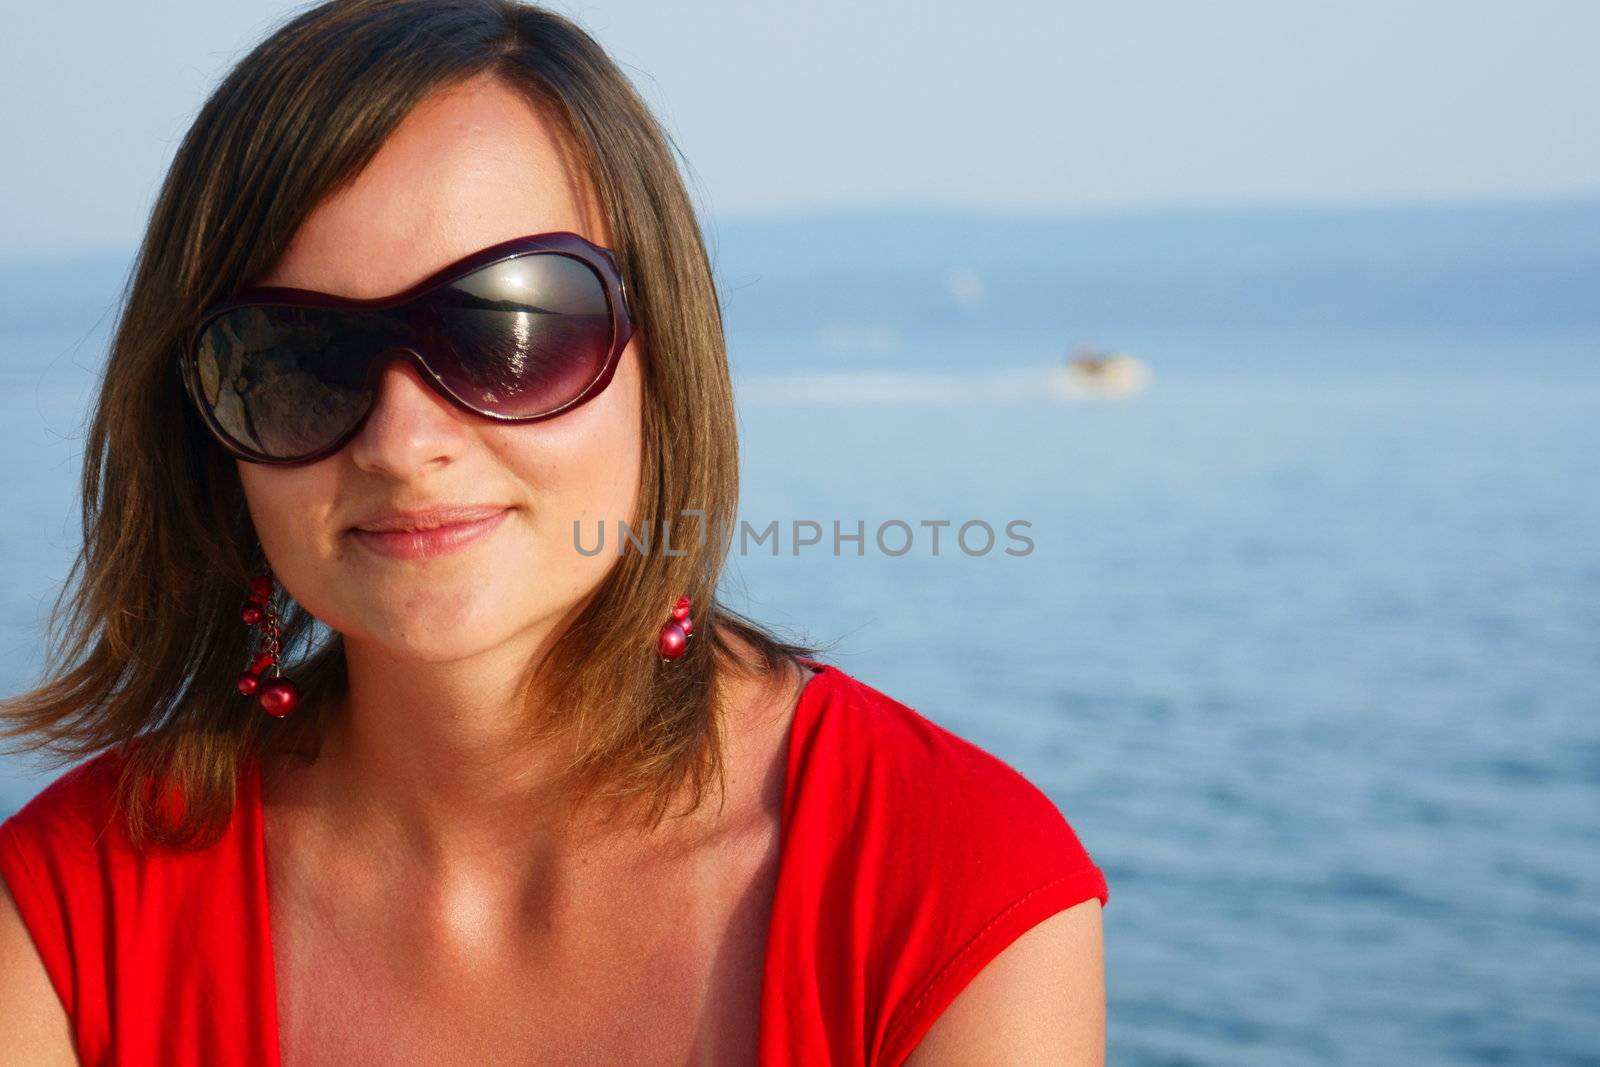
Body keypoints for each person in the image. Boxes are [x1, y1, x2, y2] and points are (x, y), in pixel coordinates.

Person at [0, 1, 1108, 1062]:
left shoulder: (955, 883)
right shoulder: (61, 910)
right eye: (293, 357)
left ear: (659, 358)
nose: (402, 438)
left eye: (510, 328)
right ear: (206, 432)